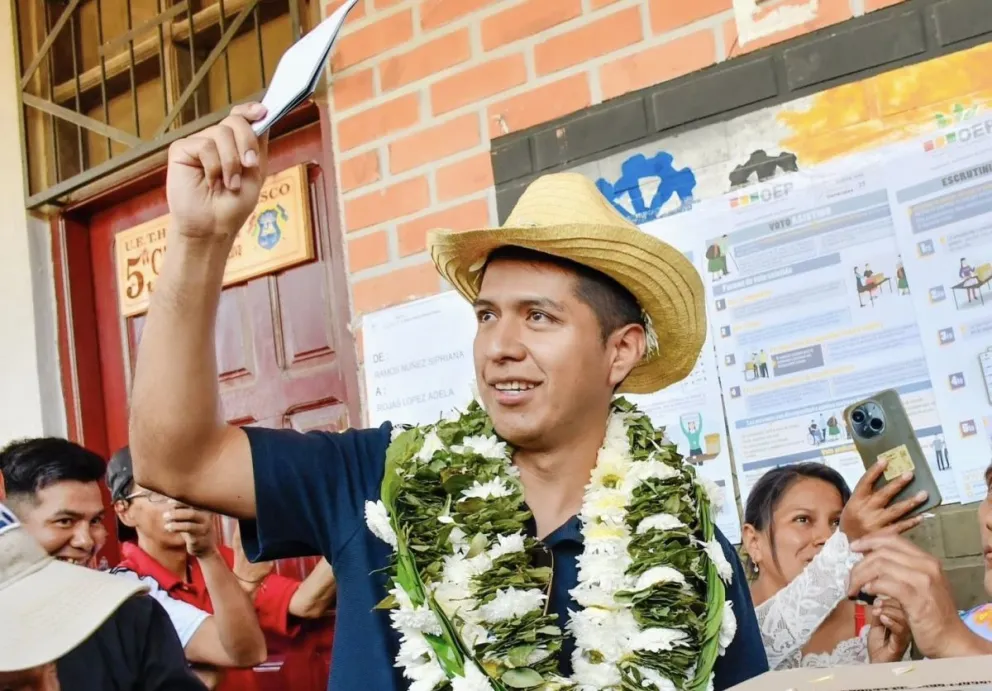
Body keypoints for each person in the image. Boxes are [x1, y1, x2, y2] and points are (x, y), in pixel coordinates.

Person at [126, 102, 769, 690]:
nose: (500, 346)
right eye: (487, 315)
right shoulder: (380, 479)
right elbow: (173, 459)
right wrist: (198, 240)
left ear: (620, 351)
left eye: (538, 317)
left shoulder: (691, 552)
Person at [107, 446, 337, 691]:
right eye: (157, 494)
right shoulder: (129, 590)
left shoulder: (222, 560)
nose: (177, 502)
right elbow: (231, 659)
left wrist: (353, 527)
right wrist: (244, 587)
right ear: (124, 512)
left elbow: (306, 603)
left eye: (182, 488)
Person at [0, 437, 216, 690]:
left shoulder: (131, 614)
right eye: (65, 521)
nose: (85, 541)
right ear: (12, 525)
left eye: (94, 521)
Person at [742, 461, 926, 670]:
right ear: (753, 542)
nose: (827, 537)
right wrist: (846, 541)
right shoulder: (722, 623)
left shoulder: (875, 624)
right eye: (803, 519)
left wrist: (882, 671)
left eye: (838, 523)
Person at [848, 462, 992, 659]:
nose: (990, 519)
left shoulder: (957, 634)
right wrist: (887, 675)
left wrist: (958, 644)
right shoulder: (973, 622)